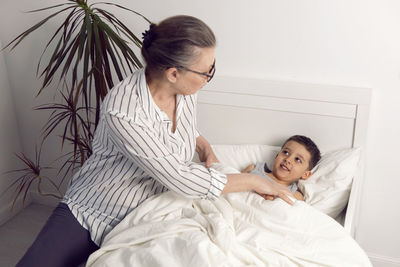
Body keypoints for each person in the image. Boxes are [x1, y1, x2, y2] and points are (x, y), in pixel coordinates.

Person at [17, 15, 294, 267]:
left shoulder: (185, 89)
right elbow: (181, 178)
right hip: (94, 212)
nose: (209, 78)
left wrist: (204, 146)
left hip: (148, 214)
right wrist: (257, 181)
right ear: (173, 73)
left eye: (212, 68)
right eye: (206, 71)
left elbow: (177, 133)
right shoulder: (123, 111)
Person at [242, 135, 321, 201]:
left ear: (305, 174)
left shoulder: (295, 195)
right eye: (286, 152)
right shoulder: (253, 169)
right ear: (277, 156)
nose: (288, 159)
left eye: (297, 159)